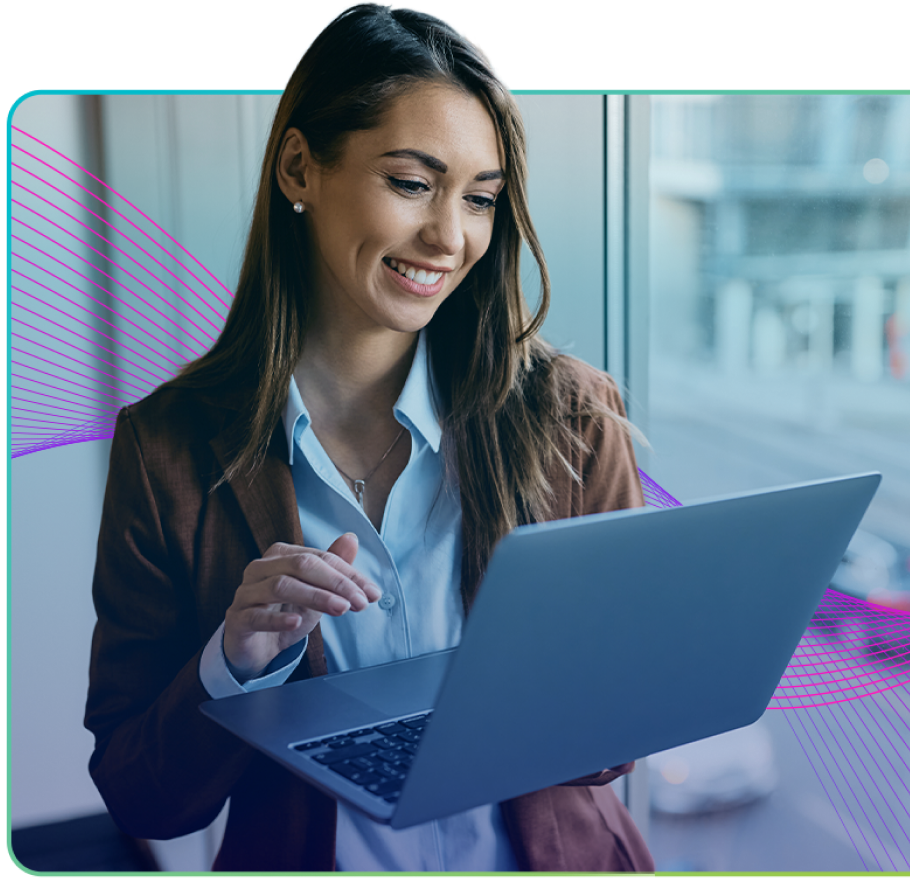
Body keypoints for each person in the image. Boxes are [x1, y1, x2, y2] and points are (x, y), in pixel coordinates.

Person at [84, 1, 655, 873]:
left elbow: (615, 740)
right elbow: (141, 797)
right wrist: (235, 664)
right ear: (299, 168)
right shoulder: (166, 451)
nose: (450, 237)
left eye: (481, 199)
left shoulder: (570, 418)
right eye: (412, 183)